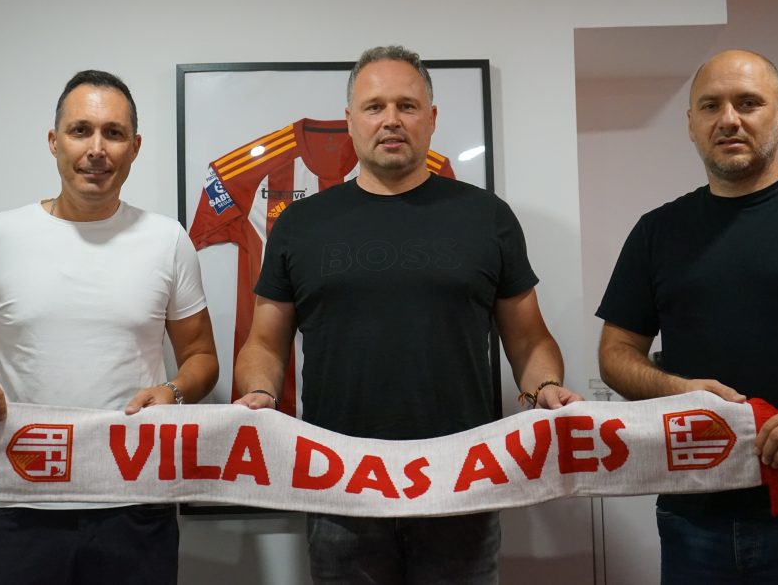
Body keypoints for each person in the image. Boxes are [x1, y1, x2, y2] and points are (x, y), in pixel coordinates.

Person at [233, 45, 581, 584]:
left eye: (407, 106)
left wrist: (546, 388)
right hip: (339, 483)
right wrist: (259, 393)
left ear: (432, 118)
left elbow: (529, 340)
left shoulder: (486, 216)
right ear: (350, 120)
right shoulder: (300, 224)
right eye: (374, 107)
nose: (391, 119)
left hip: (462, 481)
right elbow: (264, 343)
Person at [0, 70, 218, 585]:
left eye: (113, 133)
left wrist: (175, 391)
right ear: (54, 141)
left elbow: (202, 358)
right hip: (23, 501)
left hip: (136, 500)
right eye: (80, 130)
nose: (96, 149)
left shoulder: (168, 240)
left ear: (134, 148)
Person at [596, 49, 778, 584]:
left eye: (748, 103)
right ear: (691, 125)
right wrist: (675, 390)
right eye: (710, 106)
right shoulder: (657, 231)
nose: (729, 119)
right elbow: (615, 354)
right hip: (693, 520)